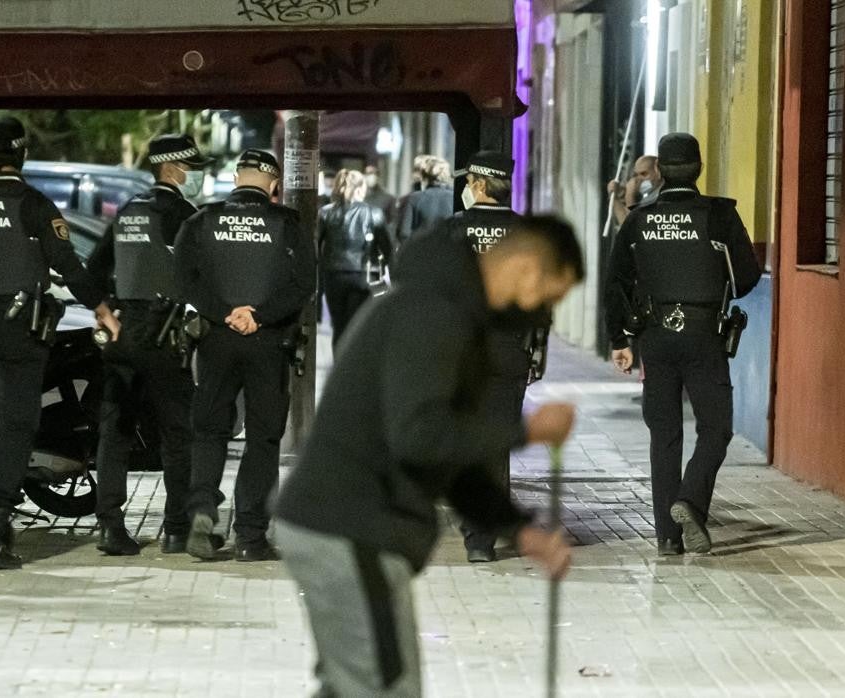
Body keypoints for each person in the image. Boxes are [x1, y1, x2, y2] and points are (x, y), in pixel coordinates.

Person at [276, 215, 581, 698]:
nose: (542, 313)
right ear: (526, 268)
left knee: (352, 686)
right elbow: (419, 437)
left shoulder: (452, 315)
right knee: (385, 688)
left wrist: (518, 529)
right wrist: (526, 429)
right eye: (549, 296)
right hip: (351, 527)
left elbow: (444, 459)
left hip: (346, 527)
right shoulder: (434, 313)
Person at [0, 116, 120, 570]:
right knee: (17, 428)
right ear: (22, 153)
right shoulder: (32, 204)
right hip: (19, 329)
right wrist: (102, 309)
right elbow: (68, 266)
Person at [605, 133, 761, 555]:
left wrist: (619, 338)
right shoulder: (719, 216)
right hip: (703, 334)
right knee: (716, 428)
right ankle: (690, 500)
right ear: (698, 168)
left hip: (654, 337)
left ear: (660, 171)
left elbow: (615, 281)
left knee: (664, 434)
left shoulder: (638, 219)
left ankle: (667, 539)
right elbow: (746, 277)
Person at [394, 150, 545, 563]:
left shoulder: (450, 230)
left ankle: (475, 535)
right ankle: (486, 533)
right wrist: (535, 350)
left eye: (467, 182)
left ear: (478, 184)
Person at [174, 149, 315, 562]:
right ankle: (250, 537)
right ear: (273, 183)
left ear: (237, 177)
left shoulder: (200, 220)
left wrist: (223, 313)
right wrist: (259, 316)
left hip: (216, 339)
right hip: (267, 341)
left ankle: (202, 510)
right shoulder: (287, 224)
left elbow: (185, 280)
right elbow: (304, 282)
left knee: (210, 431)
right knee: (262, 438)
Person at [84, 134, 211, 556]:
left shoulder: (127, 211)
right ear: (174, 170)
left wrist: (104, 311)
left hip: (123, 332)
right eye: (193, 169)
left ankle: (110, 527)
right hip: (163, 332)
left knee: (115, 431)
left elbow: (94, 269)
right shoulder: (182, 214)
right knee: (178, 433)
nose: (196, 177)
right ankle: (175, 529)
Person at [319, 169, 393, 349]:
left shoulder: (325, 213)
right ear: (360, 189)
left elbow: (315, 245)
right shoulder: (374, 213)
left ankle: (339, 370)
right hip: (364, 276)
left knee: (339, 326)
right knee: (358, 327)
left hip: (334, 275)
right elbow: (387, 249)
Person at [396, 156, 454, 245]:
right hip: (450, 253)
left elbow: (404, 233)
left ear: (424, 179)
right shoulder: (455, 197)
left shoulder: (415, 198)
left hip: (422, 254)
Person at [608, 154, 662, 226]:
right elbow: (624, 222)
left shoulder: (662, 196)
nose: (638, 179)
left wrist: (630, 196)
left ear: (657, 171)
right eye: (636, 175)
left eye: (644, 174)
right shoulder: (650, 197)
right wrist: (615, 198)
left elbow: (632, 227)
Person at [363, 164, 399, 232]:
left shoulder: (388, 198)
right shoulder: (359, 197)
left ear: (378, 177)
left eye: (373, 173)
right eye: (368, 174)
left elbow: (393, 222)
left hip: (380, 236)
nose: (371, 176)